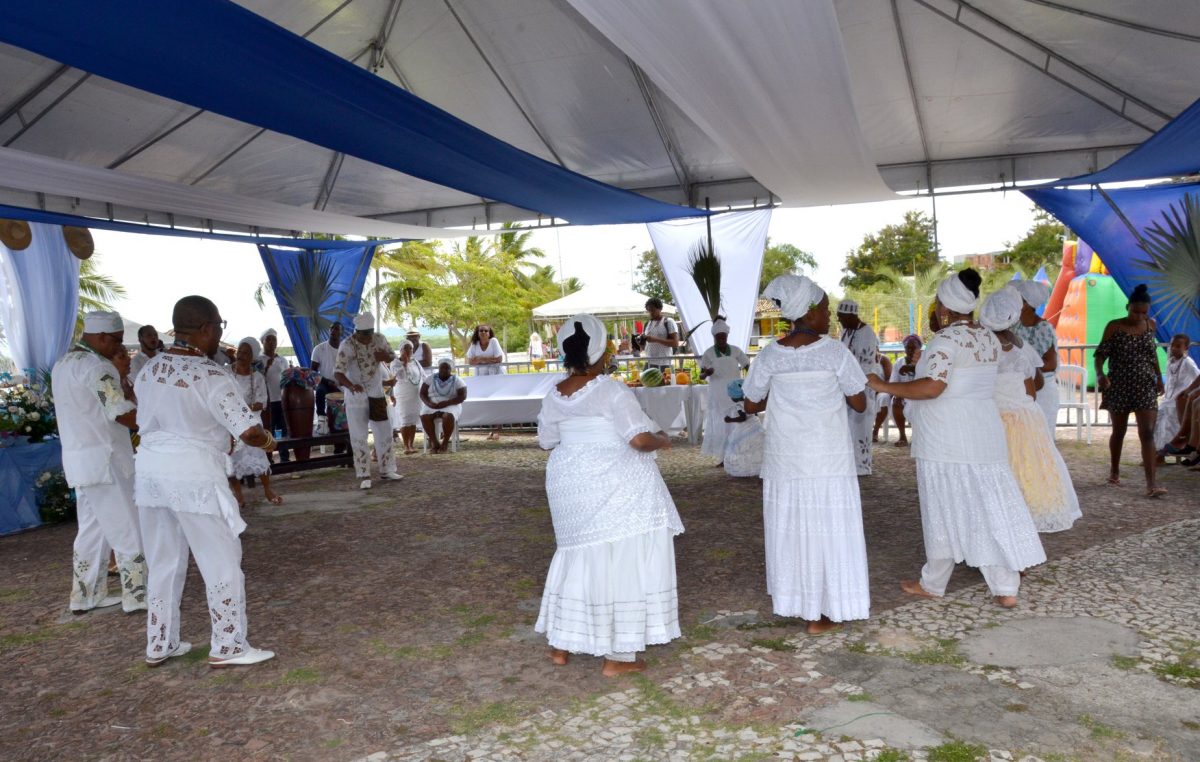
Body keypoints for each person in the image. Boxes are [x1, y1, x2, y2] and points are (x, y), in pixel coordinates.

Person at [866, 270, 1045, 608]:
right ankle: (1004, 586)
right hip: (983, 433)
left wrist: (882, 385)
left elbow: (934, 386)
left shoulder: (945, 341)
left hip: (946, 437)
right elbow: (964, 376)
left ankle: (934, 583)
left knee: (942, 508)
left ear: (944, 309)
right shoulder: (988, 338)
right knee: (987, 507)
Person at [535, 313, 682, 675]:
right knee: (622, 553)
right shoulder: (611, 389)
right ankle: (617, 656)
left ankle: (561, 643)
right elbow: (638, 439)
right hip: (613, 480)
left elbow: (546, 441)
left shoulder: (554, 393)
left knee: (577, 553)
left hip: (569, 479)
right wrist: (663, 440)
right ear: (601, 351)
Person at [134, 296, 276, 667]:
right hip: (193, 474)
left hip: (149, 474)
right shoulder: (211, 375)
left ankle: (159, 642)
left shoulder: (148, 370)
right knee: (221, 558)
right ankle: (228, 645)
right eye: (219, 327)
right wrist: (269, 441)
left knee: (163, 560)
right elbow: (247, 430)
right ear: (207, 329)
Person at [741, 275, 870, 633]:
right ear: (809, 312)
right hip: (828, 460)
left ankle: (800, 602)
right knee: (828, 528)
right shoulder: (834, 351)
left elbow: (752, 402)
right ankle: (827, 609)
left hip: (787, 460)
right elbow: (858, 402)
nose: (829, 315)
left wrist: (783, 392)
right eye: (826, 309)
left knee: (794, 529)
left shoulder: (769, 354)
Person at [52, 311, 147, 614]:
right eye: (117, 341)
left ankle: (85, 594)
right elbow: (119, 410)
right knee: (128, 527)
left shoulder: (63, 364)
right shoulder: (98, 366)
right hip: (107, 462)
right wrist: (154, 422)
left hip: (80, 462)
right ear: (103, 337)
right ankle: (138, 595)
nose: (120, 349)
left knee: (92, 531)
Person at [981, 288, 1080, 533]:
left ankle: (1004, 522)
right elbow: (1034, 388)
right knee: (1028, 469)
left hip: (996, 418)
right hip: (1024, 417)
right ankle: (1027, 516)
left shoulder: (980, 348)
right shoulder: (1020, 349)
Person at [1095, 284, 1166, 497]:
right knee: (1119, 431)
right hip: (1118, 385)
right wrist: (1100, 374)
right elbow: (1100, 355)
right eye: (1136, 311)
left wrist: (1159, 377)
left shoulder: (1151, 325)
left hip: (1145, 384)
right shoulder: (1114, 327)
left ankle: (1151, 484)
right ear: (1128, 306)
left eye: (1144, 312)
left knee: (1147, 433)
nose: (1139, 316)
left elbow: (1152, 355)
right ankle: (1114, 471)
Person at [334, 314, 403, 489]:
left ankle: (387, 470)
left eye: (369, 333)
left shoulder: (379, 339)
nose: (367, 338)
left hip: (377, 395)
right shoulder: (347, 345)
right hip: (356, 397)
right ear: (356, 332)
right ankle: (364, 474)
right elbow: (338, 373)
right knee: (359, 435)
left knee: (384, 431)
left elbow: (392, 356)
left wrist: (384, 357)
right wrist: (350, 386)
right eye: (363, 334)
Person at [227, 337, 282, 507]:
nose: (241, 355)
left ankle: (267, 489)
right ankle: (238, 495)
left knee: (259, 455)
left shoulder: (257, 376)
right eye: (240, 351)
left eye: (246, 353)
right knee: (230, 459)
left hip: (251, 420)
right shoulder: (226, 373)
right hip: (229, 420)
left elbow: (261, 403)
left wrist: (243, 409)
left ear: (252, 357)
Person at [836, 299, 879, 475]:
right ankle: (850, 464)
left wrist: (851, 381)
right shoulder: (846, 332)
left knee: (861, 427)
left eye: (841, 316)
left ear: (851, 315)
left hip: (863, 386)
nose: (839, 320)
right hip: (848, 386)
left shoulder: (867, 332)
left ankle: (862, 466)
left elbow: (867, 365)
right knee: (849, 427)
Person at [699, 319, 751, 465]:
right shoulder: (708, 353)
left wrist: (752, 380)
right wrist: (707, 373)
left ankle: (738, 455)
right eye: (718, 337)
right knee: (721, 424)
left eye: (724, 336)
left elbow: (747, 365)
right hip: (718, 394)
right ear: (714, 337)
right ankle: (722, 457)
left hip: (735, 393)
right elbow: (701, 375)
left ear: (727, 336)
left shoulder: (736, 350)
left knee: (736, 423)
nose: (721, 339)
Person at [1011, 280, 1059, 438]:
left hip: (1043, 390)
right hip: (1024, 386)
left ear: (1026, 304)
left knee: (1042, 437)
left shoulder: (1043, 328)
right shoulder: (1015, 326)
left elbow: (1051, 364)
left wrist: (1023, 366)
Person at [1155, 334, 1198, 454]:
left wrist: (1188, 392)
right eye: (1172, 345)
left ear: (1186, 348)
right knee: (1158, 423)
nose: (1174, 348)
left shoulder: (1188, 362)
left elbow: (1197, 378)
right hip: (1167, 399)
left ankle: (1166, 453)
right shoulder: (1170, 362)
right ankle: (1159, 452)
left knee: (1171, 426)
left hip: (1179, 401)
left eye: (1178, 346)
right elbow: (1169, 381)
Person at [879, 335, 922, 447]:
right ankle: (902, 436)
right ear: (904, 349)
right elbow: (893, 383)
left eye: (914, 348)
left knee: (915, 404)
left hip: (920, 395)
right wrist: (900, 394)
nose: (911, 351)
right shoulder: (899, 362)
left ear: (920, 348)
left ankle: (918, 436)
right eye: (908, 348)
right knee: (896, 402)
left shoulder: (924, 362)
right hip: (904, 395)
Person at [467, 324, 506, 440]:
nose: (483, 333)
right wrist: (489, 359)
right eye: (481, 331)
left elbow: (499, 359)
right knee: (486, 402)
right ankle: (491, 429)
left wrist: (480, 359)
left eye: (486, 331)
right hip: (481, 378)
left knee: (496, 401)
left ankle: (497, 430)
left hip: (495, 376)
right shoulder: (474, 344)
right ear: (477, 333)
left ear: (489, 333)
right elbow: (470, 361)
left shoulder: (494, 341)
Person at [419, 358, 467, 453]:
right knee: (424, 415)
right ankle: (434, 442)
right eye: (442, 368)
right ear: (439, 368)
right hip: (432, 404)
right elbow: (422, 393)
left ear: (451, 369)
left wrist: (447, 403)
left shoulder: (457, 380)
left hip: (451, 404)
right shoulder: (430, 378)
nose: (444, 370)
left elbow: (463, 396)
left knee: (448, 416)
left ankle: (445, 443)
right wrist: (429, 404)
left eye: (447, 368)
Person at [258, 328, 292, 462]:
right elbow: (257, 379)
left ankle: (285, 457)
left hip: (281, 400)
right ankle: (268, 458)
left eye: (274, 340)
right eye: (268, 340)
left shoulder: (282, 359)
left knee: (283, 429)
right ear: (263, 342)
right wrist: (267, 366)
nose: (272, 342)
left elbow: (287, 378)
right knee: (268, 430)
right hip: (267, 401)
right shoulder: (258, 360)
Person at [722, 379, 764, 478]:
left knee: (742, 447)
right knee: (756, 446)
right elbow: (755, 413)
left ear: (733, 397)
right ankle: (757, 467)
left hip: (745, 429)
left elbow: (743, 417)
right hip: (755, 426)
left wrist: (730, 420)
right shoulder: (748, 402)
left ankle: (745, 468)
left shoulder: (738, 405)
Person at [310, 322, 343, 436]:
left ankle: (342, 438)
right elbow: (313, 372)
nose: (333, 330)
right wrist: (327, 381)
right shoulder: (319, 349)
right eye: (331, 328)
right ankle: (322, 423)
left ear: (341, 332)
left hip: (341, 384)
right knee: (319, 392)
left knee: (344, 409)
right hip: (325, 382)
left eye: (337, 329)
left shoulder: (345, 350)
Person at [389, 342, 423, 455]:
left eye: (411, 349)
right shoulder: (395, 363)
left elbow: (423, 375)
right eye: (406, 348)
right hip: (402, 394)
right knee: (405, 418)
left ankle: (411, 445)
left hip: (415, 394)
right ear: (401, 350)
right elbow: (400, 377)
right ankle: (406, 446)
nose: (409, 351)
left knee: (413, 420)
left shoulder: (416, 362)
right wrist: (405, 363)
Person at [641, 298, 680, 372]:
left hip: (664, 363)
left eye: (653, 310)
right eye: (649, 310)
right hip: (649, 362)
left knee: (665, 383)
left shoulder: (668, 321)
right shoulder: (648, 324)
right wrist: (640, 342)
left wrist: (655, 339)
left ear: (660, 309)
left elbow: (675, 343)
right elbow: (644, 347)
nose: (651, 313)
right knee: (645, 383)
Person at [871, 352, 894, 442]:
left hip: (881, 389)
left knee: (884, 398)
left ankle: (875, 430)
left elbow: (889, 378)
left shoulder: (883, 359)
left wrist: (879, 388)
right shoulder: (859, 359)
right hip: (866, 390)